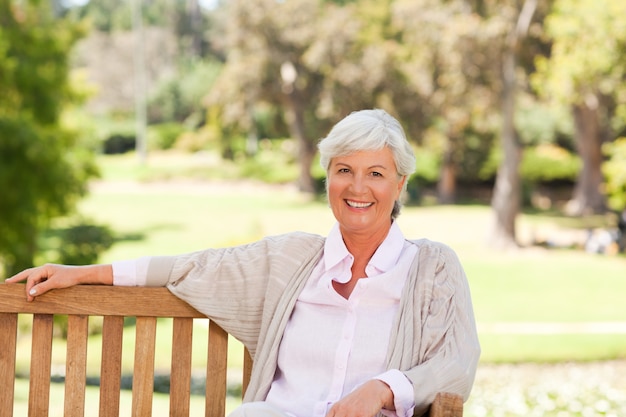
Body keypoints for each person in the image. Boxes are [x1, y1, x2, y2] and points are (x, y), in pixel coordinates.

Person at [7, 109, 480, 417]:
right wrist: (83, 274)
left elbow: (457, 364)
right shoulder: (292, 260)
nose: (358, 188)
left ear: (399, 186)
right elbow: (189, 268)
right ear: (327, 178)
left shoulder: (432, 268)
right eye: (344, 171)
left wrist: (382, 387)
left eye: (376, 174)